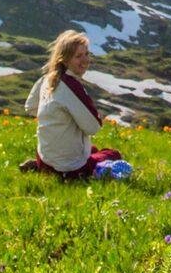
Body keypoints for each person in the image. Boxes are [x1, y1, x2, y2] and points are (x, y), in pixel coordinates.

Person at [20, 30, 126, 180]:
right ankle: (69, 173)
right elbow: (93, 127)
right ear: (65, 60)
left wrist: (58, 117)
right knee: (113, 154)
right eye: (78, 56)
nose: (85, 60)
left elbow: (30, 106)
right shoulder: (71, 85)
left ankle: (40, 167)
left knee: (93, 149)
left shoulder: (47, 78)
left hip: (44, 159)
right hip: (69, 169)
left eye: (86, 54)